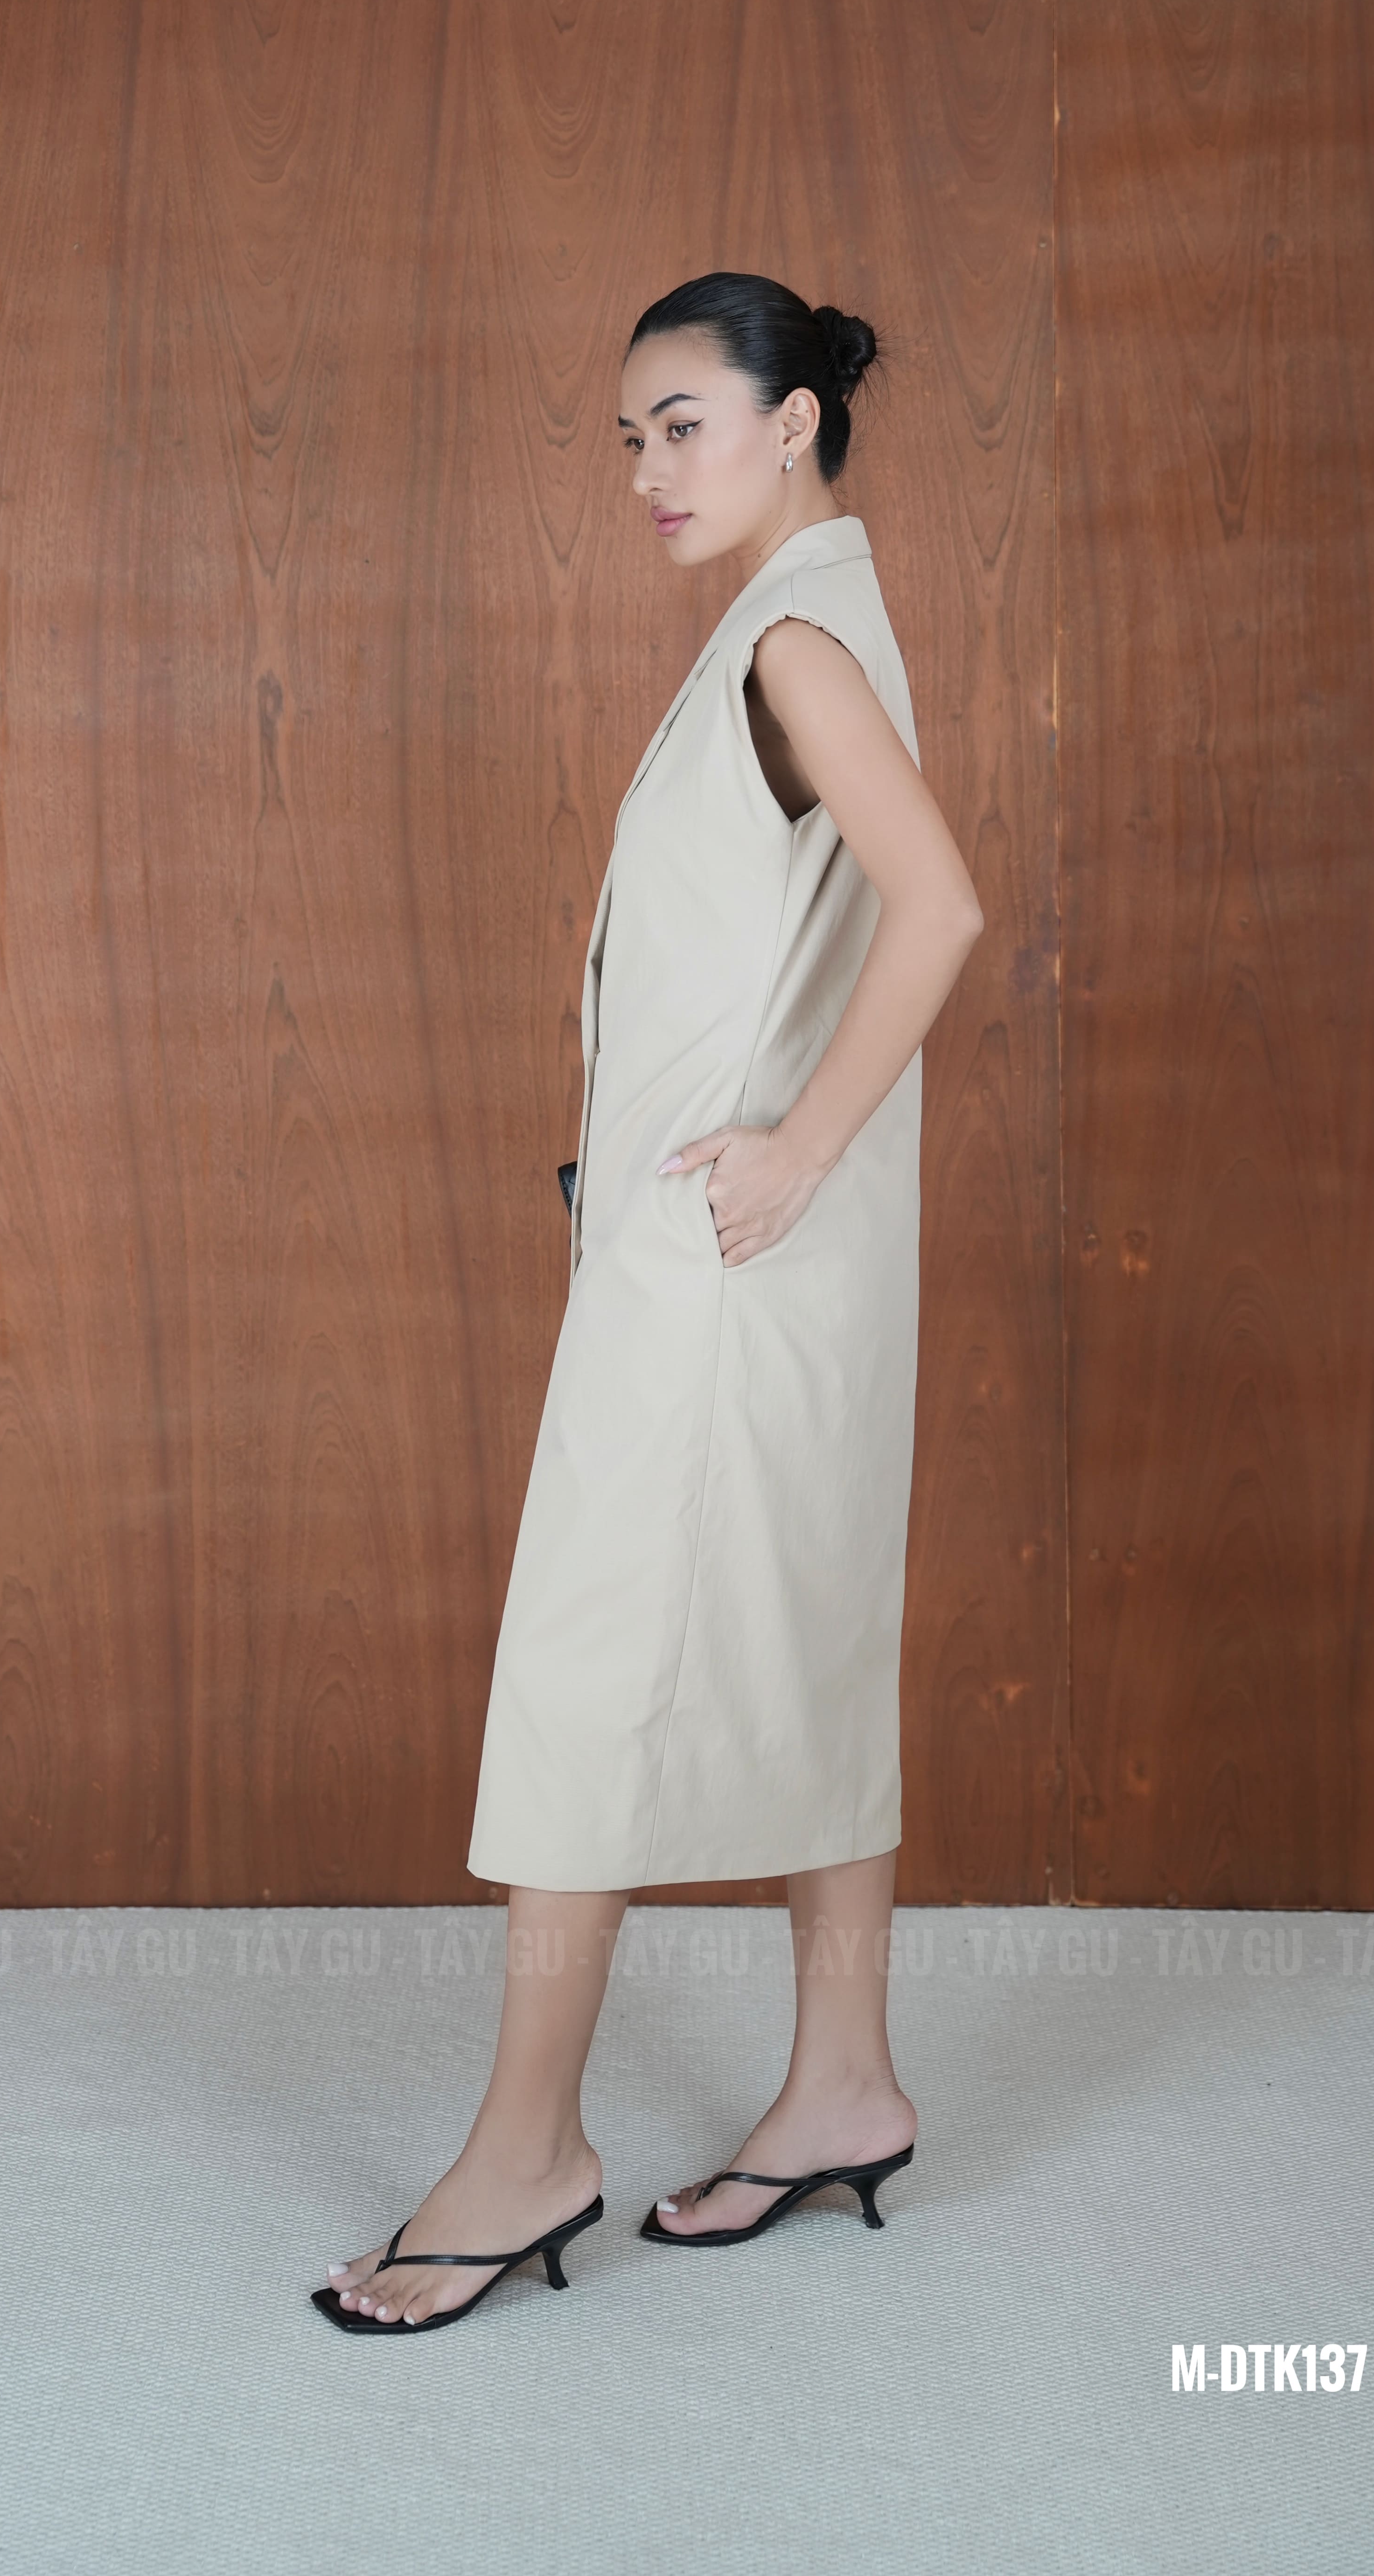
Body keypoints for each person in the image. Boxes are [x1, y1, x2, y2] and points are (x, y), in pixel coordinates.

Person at [314, 271, 986, 2334]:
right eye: (630, 440)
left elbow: (942, 903)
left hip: (729, 1267)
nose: (648, 473)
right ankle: (844, 2084)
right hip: (780, 1272)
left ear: (794, 423)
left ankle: (527, 2150)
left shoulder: (791, 640)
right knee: (811, 1643)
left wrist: (787, 1148)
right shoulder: (810, 619)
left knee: (588, 1681)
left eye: (682, 425)